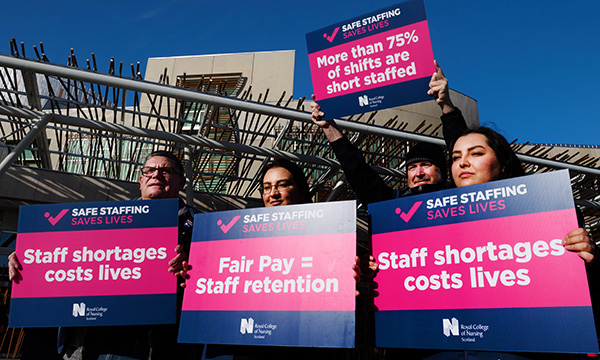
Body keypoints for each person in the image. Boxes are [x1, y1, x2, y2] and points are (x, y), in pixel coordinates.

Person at [9, 150, 197, 360]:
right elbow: (70, 260)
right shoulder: (106, 220)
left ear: (181, 182)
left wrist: (194, 264)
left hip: (146, 345)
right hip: (85, 342)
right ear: (140, 180)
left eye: (166, 170)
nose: (156, 175)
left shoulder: (199, 229)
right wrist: (29, 261)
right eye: (150, 170)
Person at [310, 60, 465, 205]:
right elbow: (358, 173)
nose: (418, 173)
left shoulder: (461, 197)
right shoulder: (391, 203)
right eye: (412, 168)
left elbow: (463, 147)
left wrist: (445, 104)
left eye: (425, 165)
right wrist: (329, 127)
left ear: (444, 170)